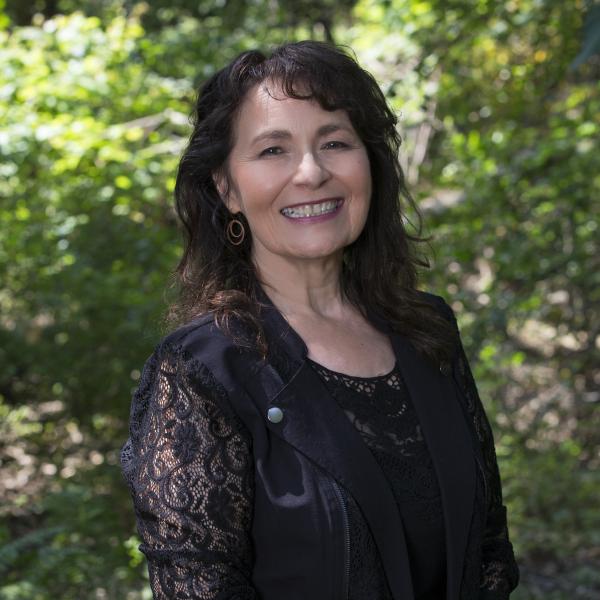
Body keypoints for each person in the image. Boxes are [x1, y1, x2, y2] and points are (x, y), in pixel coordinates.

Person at [121, 40, 519, 600]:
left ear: (369, 164)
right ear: (225, 187)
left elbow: (490, 550)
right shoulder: (201, 374)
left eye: (335, 143)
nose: (311, 172)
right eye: (272, 151)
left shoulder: (429, 331)